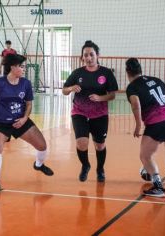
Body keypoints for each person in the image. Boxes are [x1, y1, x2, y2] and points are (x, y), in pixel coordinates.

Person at [0, 53, 54, 195]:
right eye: (21, 66)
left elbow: (29, 104)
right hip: (1, 122)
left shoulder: (26, 83)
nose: (24, 69)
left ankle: (38, 165)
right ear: (13, 67)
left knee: (42, 146)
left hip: (20, 121)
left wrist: (25, 118)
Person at [125, 57, 165, 198]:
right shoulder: (155, 79)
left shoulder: (132, 87)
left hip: (159, 121)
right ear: (140, 69)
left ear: (128, 72)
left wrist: (138, 125)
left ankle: (158, 187)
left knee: (145, 156)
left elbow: (136, 104)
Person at [62, 40, 118, 182]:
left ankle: (100, 169)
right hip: (79, 112)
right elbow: (64, 90)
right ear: (82, 57)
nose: (88, 58)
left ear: (97, 55)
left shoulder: (106, 73)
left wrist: (100, 98)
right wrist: (71, 88)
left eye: (91, 55)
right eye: (85, 55)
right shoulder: (77, 73)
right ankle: (85, 165)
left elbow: (112, 95)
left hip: (99, 114)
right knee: (81, 142)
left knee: (99, 145)